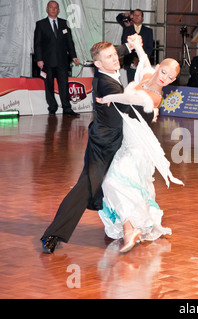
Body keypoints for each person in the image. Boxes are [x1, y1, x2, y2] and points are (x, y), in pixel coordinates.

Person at [40, 35, 148, 254]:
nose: (115, 59)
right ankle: (53, 233)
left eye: (115, 55)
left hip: (116, 138)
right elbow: (129, 106)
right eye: (109, 57)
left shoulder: (108, 65)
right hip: (104, 145)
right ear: (98, 64)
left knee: (126, 182)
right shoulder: (106, 84)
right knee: (86, 187)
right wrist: (150, 95)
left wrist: (130, 45)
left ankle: (127, 227)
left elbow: (114, 51)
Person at [96, 38, 183, 253]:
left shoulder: (155, 97)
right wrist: (137, 45)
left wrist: (108, 96)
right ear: (159, 66)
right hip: (125, 139)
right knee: (116, 184)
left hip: (136, 144)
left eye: (171, 78)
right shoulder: (146, 74)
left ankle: (130, 229)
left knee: (114, 182)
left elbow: (129, 98)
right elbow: (143, 59)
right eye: (164, 72)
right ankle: (130, 229)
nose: (165, 79)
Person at [33, 1, 80, 117]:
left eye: (56, 8)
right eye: (51, 7)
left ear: (59, 10)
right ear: (47, 9)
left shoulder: (65, 23)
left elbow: (70, 41)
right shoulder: (40, 24)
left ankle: (67, 108)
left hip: (62, 61)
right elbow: (37, 43)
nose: (53, 10)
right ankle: (52, 107)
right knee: (49, 85)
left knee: (64, 85)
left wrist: (73, 55)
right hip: (47, 61)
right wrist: (39, 59)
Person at [120, 9, 154, 83]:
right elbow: (124, 45)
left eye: (139, 15)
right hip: (130, 63)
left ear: (142, 18)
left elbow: (150, 47)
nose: (136, 17)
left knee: (143, 83)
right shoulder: (126, 30)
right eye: (135, 15)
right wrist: (134, 59)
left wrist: (141, 59)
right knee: (131, 83)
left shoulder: (149, 31)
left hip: (143, 62)